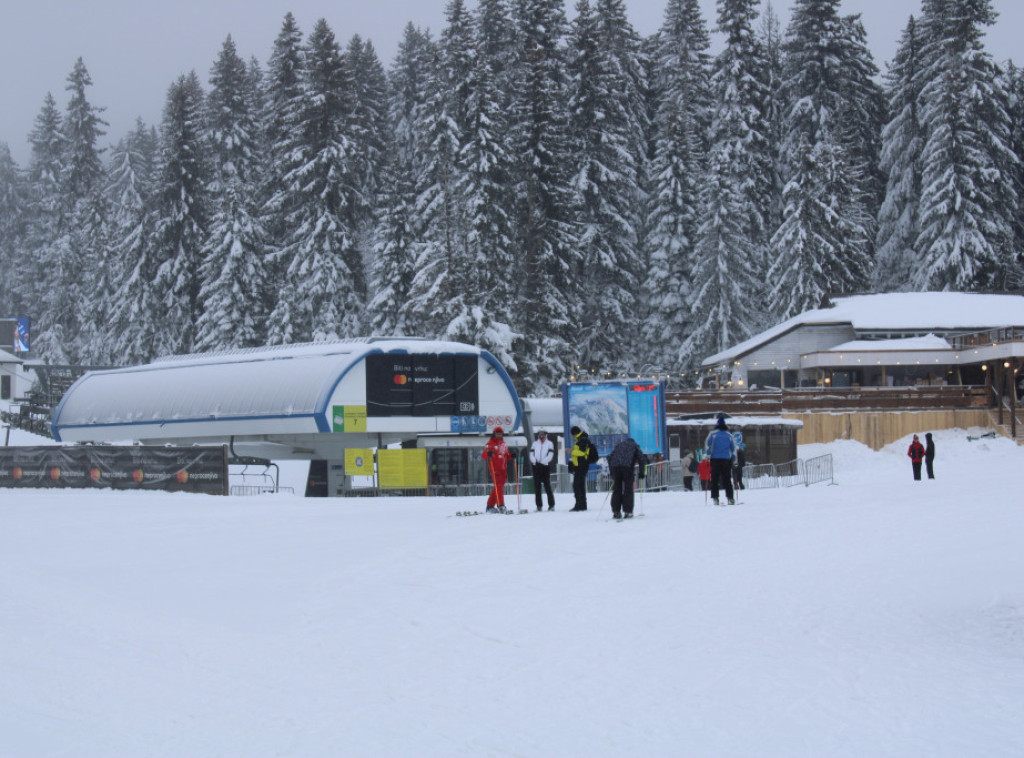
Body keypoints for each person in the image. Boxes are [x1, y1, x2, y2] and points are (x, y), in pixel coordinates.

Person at [607, 437, 648, 519]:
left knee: (617, 489)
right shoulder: (635, 446)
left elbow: (610, 457)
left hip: (616, 467)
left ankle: (616, 511)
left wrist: (612, 472)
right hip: (627, 468)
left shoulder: (619, 445)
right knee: (628, 489)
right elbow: (641, 459)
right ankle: (628, 511)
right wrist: (641, 472)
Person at [704, 413, 738, 505]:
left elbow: (707, 445)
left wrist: (708, 455)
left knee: (714, 479)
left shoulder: (713, 434)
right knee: (727, 479)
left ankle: (715, 498)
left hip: (715, 460)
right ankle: (730, 498)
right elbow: (733, 449)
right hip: (726, 460)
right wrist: (734, 460)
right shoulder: (729, 436)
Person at [481, 426, 511, 512]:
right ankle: (500, 505)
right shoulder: (490, 444)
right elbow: (484, 456)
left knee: (498, 488)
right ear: (494, 434)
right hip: (495, 469)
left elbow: (505, 455)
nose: (499, 435)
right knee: (499, 487)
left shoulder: (503, 444)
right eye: (497, 434)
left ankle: (490, 505)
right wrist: (488, 453)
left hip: (503, 469)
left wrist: (511, 456)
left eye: (500, 434)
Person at [529, 428, 556, 511]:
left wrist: (543, 462)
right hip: (536, 466)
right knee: (537, 487)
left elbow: (550, 455)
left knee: (547, 486)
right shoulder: (535, 444)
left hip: (545, 466)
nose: (542, 436)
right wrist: (534, 461)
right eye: (540, 435)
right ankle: (539, 506)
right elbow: (531, 454)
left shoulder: (549, 444)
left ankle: (551, 505)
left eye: (543, 434)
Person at [568, 425, 592, 511]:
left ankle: (579, 505)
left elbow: (582, 452)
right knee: (580, 485)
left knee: (577, 485)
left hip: (581, 466)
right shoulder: (581, 439)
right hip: (580, 466)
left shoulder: (582, 440)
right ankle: (582, 505)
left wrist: (572, 452)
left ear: (575, 434)